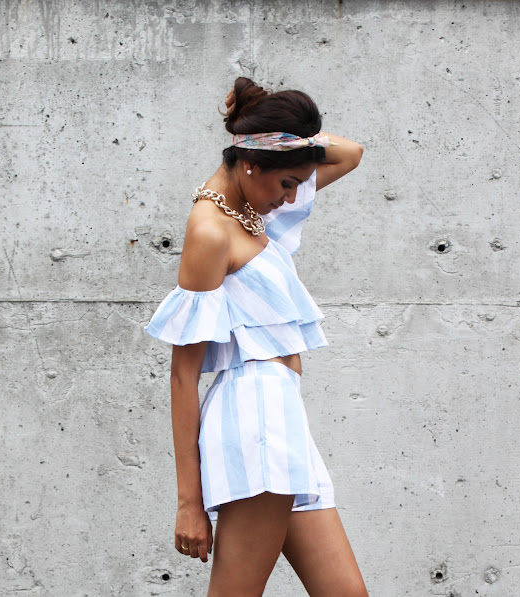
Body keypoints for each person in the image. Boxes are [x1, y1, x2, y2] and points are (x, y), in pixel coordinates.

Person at [145, 77, 367, 596]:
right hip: (255, 420)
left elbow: (350, 153)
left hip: (284, 417)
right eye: (287, 183)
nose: (291, 197)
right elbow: (183, 374)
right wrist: (189, 503)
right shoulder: (210, 231)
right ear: (250, 164)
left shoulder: (248, 209)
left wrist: (278, 132)